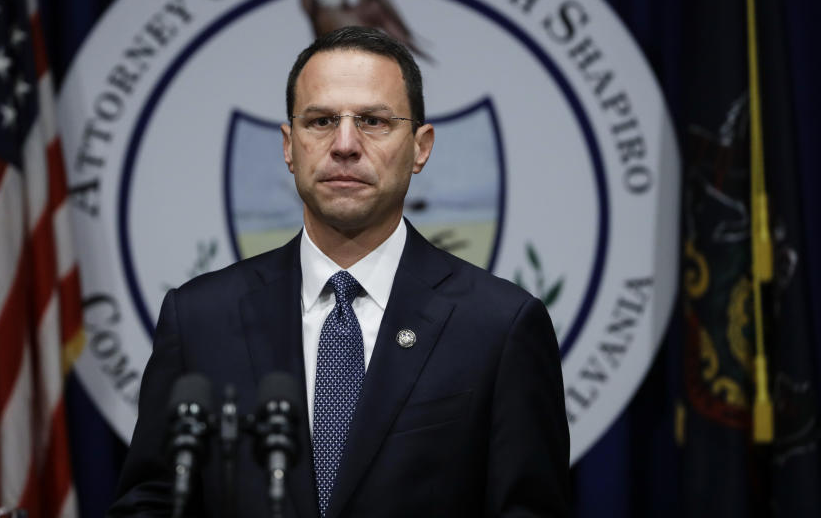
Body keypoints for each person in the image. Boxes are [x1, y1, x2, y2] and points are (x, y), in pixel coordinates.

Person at [109, 26, 569, 517]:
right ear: (289, 145)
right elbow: (149, 503)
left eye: (373, 121)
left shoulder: (500, 327)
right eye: (321, 121)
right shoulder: (200, 319)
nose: (345, 144)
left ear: (421, 146)